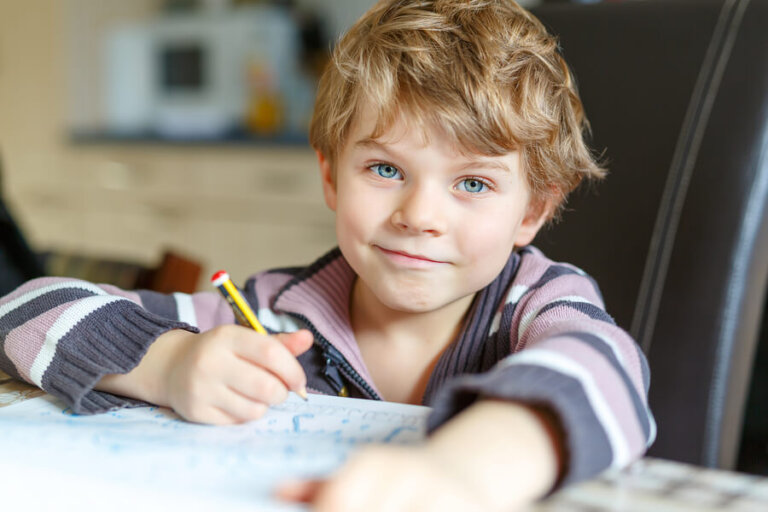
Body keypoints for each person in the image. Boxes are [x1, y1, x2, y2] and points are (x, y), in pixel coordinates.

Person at [0, 0, 655, 510]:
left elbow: (608, 373)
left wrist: (461, 471)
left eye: (473, 183)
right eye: (384, 170)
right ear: (332, 177)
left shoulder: (536, 304)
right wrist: (169, 363)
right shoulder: (272, 315)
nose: (420, 216)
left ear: (534, 210)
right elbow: (23, 309)